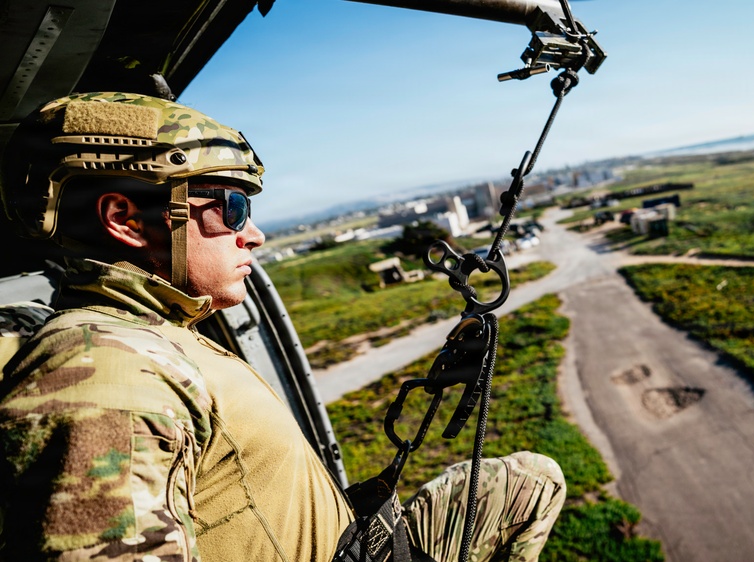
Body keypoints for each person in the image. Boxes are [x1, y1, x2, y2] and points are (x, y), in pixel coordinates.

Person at [0, 92, 565, 561]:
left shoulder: (155, 331)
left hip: (358, 543)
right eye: (232, 209)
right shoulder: (101, 364)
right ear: (126, 219)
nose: (254, 234)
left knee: (529, 483)